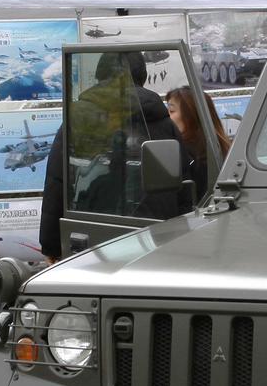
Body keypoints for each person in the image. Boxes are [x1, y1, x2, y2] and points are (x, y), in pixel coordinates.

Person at [39, 52, 184, 261]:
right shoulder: (164, 123)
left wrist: (52, 245)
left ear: (100, 75)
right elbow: (183, 183)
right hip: (158, 236)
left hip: (94, 237)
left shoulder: (77, 117)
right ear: (141, 76)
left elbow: (57, 181)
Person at [165, 86, 230, 198]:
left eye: (171, 111)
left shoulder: (187, 155)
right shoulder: (223, 148)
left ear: (190, 114)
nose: (166, 116)